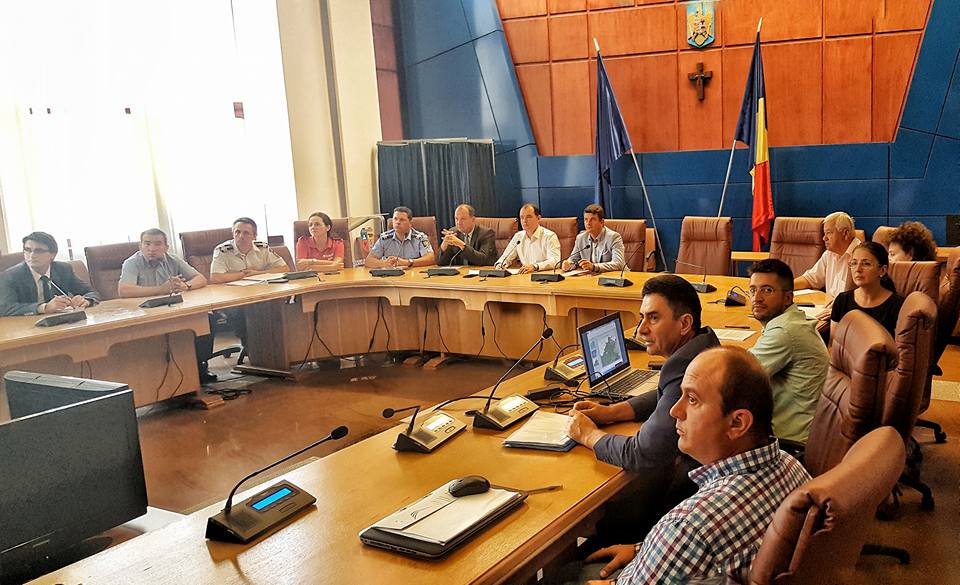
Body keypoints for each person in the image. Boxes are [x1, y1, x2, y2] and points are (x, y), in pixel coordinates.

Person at [561, 347, 810, 584]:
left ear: (737, 423)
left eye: (692, 399)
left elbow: (692, 539)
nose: (674, 411)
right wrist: (646, 550)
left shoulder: (688, 527)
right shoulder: (792, 467)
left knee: (565, 573)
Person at [566, 275, 720, 539]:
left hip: (690, 501)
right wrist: (612, 412)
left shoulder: (685, 367)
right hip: (700, 484)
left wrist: (588, 435)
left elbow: (641, 453)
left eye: (653, 318)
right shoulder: (703, 344)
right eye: (642, 318)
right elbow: (667, 393)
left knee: (602, 516)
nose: (641, 330)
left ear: (685, 324)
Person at [747, 259, 828, 444]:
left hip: (790, 442)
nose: (756, 298)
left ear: (788, 298)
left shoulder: (785, 331)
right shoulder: (791, 321)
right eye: (752, 290)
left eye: (767, 290)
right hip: (801, 431)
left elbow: (738, 377)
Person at [0, 231, 100, 316]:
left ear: (53, 254)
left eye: (38, 251)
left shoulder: (63, 270)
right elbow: (5, 308)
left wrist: (86, 300)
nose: (32, 255)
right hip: (26, 327)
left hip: (60, 323)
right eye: (28, 250)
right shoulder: (10, 276)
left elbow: (91, 292)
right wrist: (44, 308)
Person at [831, 241, 903, 337]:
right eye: (854, 263)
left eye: (866, 264)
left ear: (882, 270)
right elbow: (833, 343)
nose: (858, 269)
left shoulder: (897, 305)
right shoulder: (842, 301)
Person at [794, 211, 861, 303]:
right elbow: (810, 279)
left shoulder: (861, 257)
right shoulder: (829, 254)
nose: (824, 238)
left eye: (829, 233)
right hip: (828, 307)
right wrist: (784, 288)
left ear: (845, 233)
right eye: (824, 233)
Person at [118, 229, 207, 297]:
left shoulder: (173, 259)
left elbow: (201, 279)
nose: (152, 249)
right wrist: (161, 289)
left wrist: (185, 286)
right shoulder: (131, 263)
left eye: (157, 244)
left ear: (166, 248)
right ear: (140, 247)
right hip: (143, 310)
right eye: (147, 244)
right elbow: (124, 291)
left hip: (172, 307)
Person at [209, 217, 289, 284]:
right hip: (233, 292)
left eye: (246, 233)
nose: (241, 236)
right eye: (237, 232)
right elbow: (215, 278)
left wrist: (258, 273)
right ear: (233, 234)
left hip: (260, 289)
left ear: (254, 236)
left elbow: (284, 268)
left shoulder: (262, 248)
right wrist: (242, 274)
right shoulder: (222, 251)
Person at [494, 203, 561, 274]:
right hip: (525, 276)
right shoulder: (518, 237)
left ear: (538, 218)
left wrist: (535, 266)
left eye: (529, 217)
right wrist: (500, 265)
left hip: (544, 276)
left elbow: (555, 261)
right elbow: (505, 258)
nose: (524, 221)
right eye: (522, 217)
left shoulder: (549, 236)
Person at [561, 204, 625, 274]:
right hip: (592, 277)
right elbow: (573, 261)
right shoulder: (581, 238)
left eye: (592, 220)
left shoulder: (614, 237)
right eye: (586, 219)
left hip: (614, 277)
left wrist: (594, 267)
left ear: (602, 222)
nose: (588, 223)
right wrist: (568, 265)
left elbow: (618, 264)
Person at [364, 206, 436, 269]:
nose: (397, 222)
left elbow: (431, 258)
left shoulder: (420, 237)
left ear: (410, 223)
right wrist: (385, 263)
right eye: (395, 219)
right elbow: (369, 261)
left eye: (402, 220)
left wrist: (408, 262)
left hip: (414, 276)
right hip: (392, 277)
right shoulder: (384, 238)